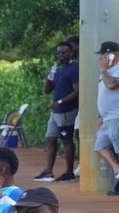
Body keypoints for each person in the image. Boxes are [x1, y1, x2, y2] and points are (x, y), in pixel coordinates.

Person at [92, 41, 119, 196]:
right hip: (107, 117)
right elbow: (103, 93)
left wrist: (104, 70)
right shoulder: (108, 70)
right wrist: (100, 115)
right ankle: (118, 170)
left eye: (103, 54)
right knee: (99, 145)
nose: (101, 58)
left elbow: (112, 85)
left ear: (111, 54)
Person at [35, 42, 79, 183]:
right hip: (55, 112)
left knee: (66, 140)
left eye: (64, 52)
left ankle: (69, 172)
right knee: (50, 139)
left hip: (67, 110)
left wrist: (59, 102)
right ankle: (48, 171)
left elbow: (77, 91)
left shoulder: (74, 68)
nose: (61, 55)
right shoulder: (58, 70)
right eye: (59, 53)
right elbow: (47, 90)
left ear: (71, 53)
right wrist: (48, 76)